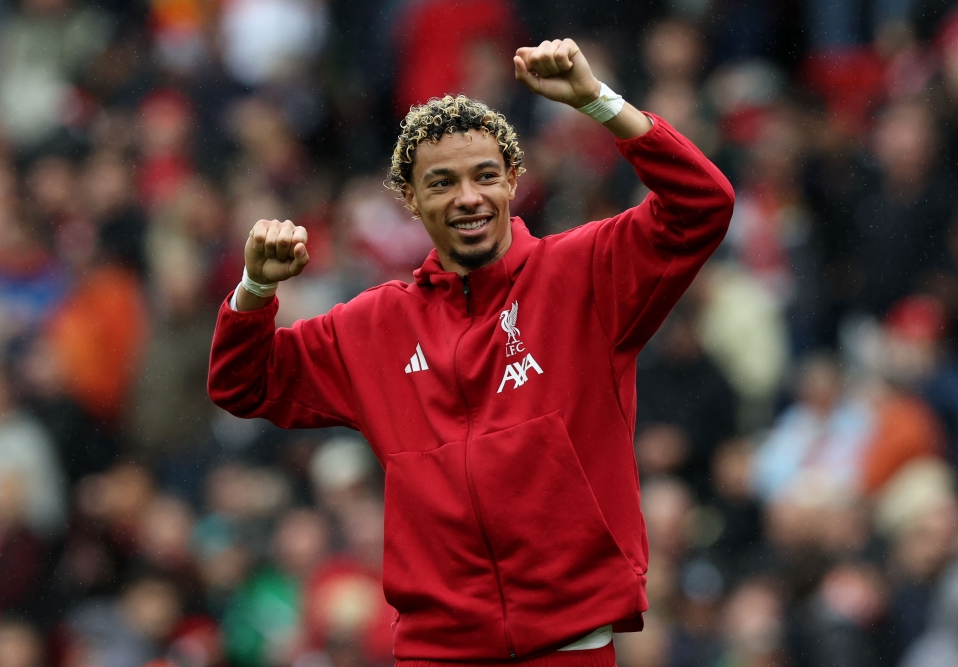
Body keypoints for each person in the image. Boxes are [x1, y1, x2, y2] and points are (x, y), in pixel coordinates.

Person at [208, 39, 734, 663]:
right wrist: (255, 288)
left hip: (568, 641)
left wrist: (597, 102)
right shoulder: (373, 325)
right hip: (439, 652)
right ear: (410, 198)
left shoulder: (582, 272)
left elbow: (702, 204)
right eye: (443, 181)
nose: (468, 197)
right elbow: (244, 383)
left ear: (513, 180)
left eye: (486, 175)